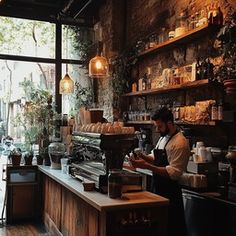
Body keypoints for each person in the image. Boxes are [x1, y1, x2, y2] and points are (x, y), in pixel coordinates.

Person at [129, 107, 190, 236]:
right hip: (158, 189)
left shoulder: (180, 143)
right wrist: (141, 157)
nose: (157, 129)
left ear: (169, 123)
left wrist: (146, 166)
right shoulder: (163, 138)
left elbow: (174, 173)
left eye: (160, 126)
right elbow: (154, 157)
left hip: (171, 194)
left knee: (171, 229)